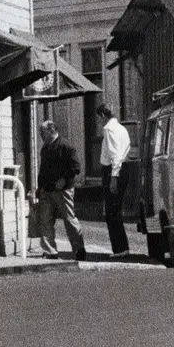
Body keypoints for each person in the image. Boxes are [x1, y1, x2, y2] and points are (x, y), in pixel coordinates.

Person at [35, 119, 86, 261]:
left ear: (52, 131)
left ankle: (79, 249)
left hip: (63, 190)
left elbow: (76, 167)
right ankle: (50, 251)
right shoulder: (45, 148)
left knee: (69, 219)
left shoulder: (66, 146)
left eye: (42, 132)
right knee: (45, 220)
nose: (40, 135)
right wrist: (39, 188)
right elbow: (42, 169)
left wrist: (64, 179)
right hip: (47, 189)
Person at [97, 103, 131, 257]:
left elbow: (115, 154)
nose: (99, 121)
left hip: (113, 170)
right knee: (115, 210)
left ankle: (119, 249)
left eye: (99, 118)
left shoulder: (109, 129)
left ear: (103, 115)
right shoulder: (122, 128)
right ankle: (122, 247)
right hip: (123, 168)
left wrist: (113, 178)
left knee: (111, 212)